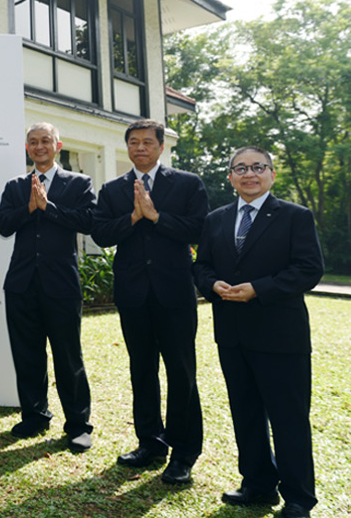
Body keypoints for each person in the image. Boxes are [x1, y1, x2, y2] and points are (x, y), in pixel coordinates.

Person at [193, 146, 323, 518]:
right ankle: (257, 483)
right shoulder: (216, 219)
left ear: (271, 174)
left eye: (258, 167)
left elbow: (309, 269)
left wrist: (259, 289)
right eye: (241, 168)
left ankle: (298, 497)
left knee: (288, 418)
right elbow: (201, 266)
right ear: (230, 177)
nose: (249, 173)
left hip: (281, 336)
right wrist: (211, 284)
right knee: (246, 413)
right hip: (232, 335)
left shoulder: (295, 216)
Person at [91, 118, 207, 485]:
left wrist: (156, 217)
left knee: (181, 371)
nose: (140, 148)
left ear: (161, 146)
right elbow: (101, 233)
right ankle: (150, 443)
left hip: (174, 293)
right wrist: (132, 217)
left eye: (147, 142)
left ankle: (184, 452)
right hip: (133, 294)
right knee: (142, 370)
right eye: (133, 142)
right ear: (126, 146)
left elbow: (199, 229)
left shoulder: (187, 184)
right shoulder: (113, 190)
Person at [0, 122, 94, 453]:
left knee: (68, 357)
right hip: (21, 283)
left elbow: (88, 222)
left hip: (61, 284)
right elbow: (2, 226)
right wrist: (29, 207)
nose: (39, 146)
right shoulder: (15, 186)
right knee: (27, 354)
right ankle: (35, 416)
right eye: (33, 142)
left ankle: (78, 425)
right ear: (27, 148)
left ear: (57, 145)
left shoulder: (78, 183)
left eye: (45, 141)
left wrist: (48, 208)